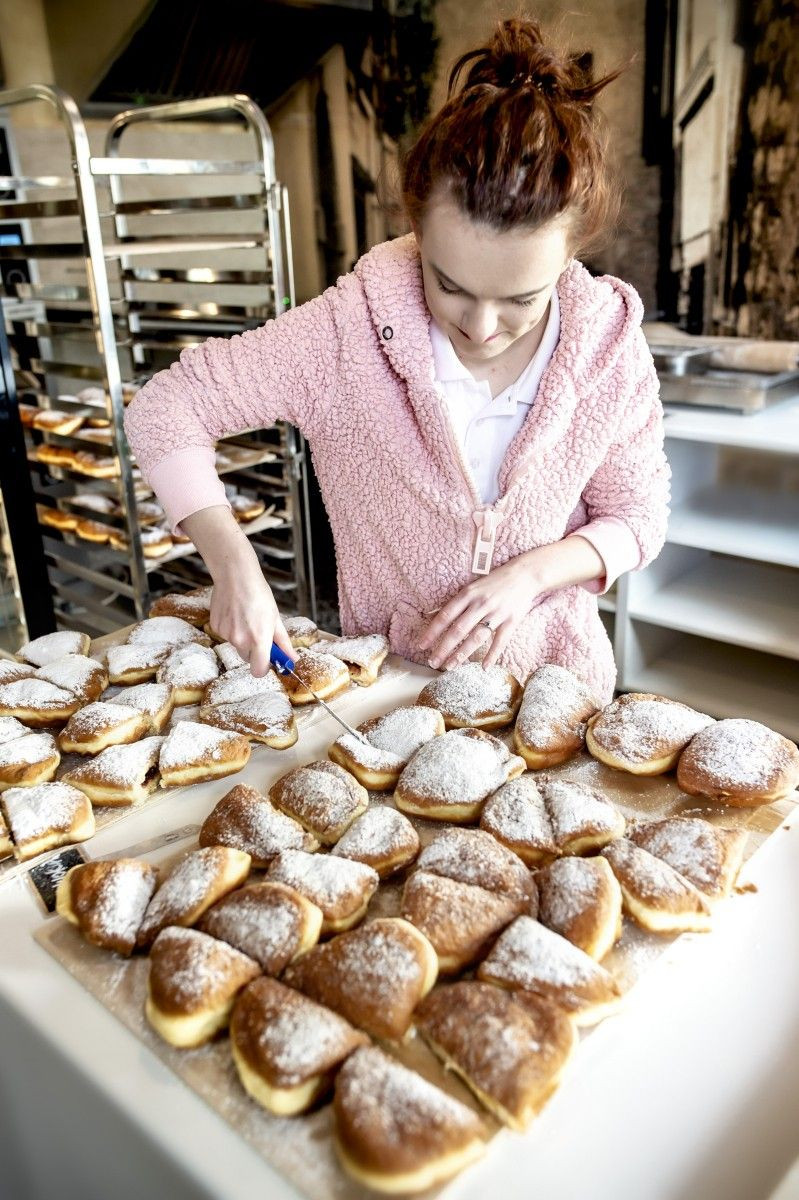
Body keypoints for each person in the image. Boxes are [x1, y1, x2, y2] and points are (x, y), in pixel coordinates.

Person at [124, 17, 669, 704]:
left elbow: (636, 520)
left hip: (556, 700)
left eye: (520, 298)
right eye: (450, 285)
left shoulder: (608, 349)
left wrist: (527, 577)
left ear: (571, 253)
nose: (481, 326)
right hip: (392, 699)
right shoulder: (342, 336)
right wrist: (232, 562)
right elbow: (166, 406)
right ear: (415, 226)